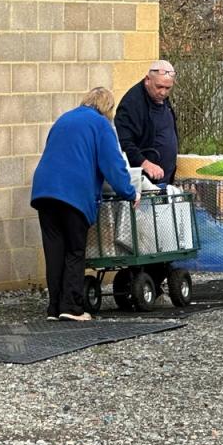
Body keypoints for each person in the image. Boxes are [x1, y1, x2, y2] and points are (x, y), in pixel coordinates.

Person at [31, 87, 137, 321]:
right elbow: (113, 165)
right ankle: (71, 308)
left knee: (54, 252)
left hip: (44, 191)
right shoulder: (101, 124)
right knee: (74, 251)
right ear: (108, 108)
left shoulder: (64, 118)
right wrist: (130, 192)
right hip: (74, 193)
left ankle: (54, 308)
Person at [115, 59, 179, 185]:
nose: (163, 92)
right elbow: (123, 142)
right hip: (144, 182)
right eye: (159, 87)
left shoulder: (162, 99)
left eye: (168, 88)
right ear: (147, 80)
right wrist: (144, 163)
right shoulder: (132, 103)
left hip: (165, 180)